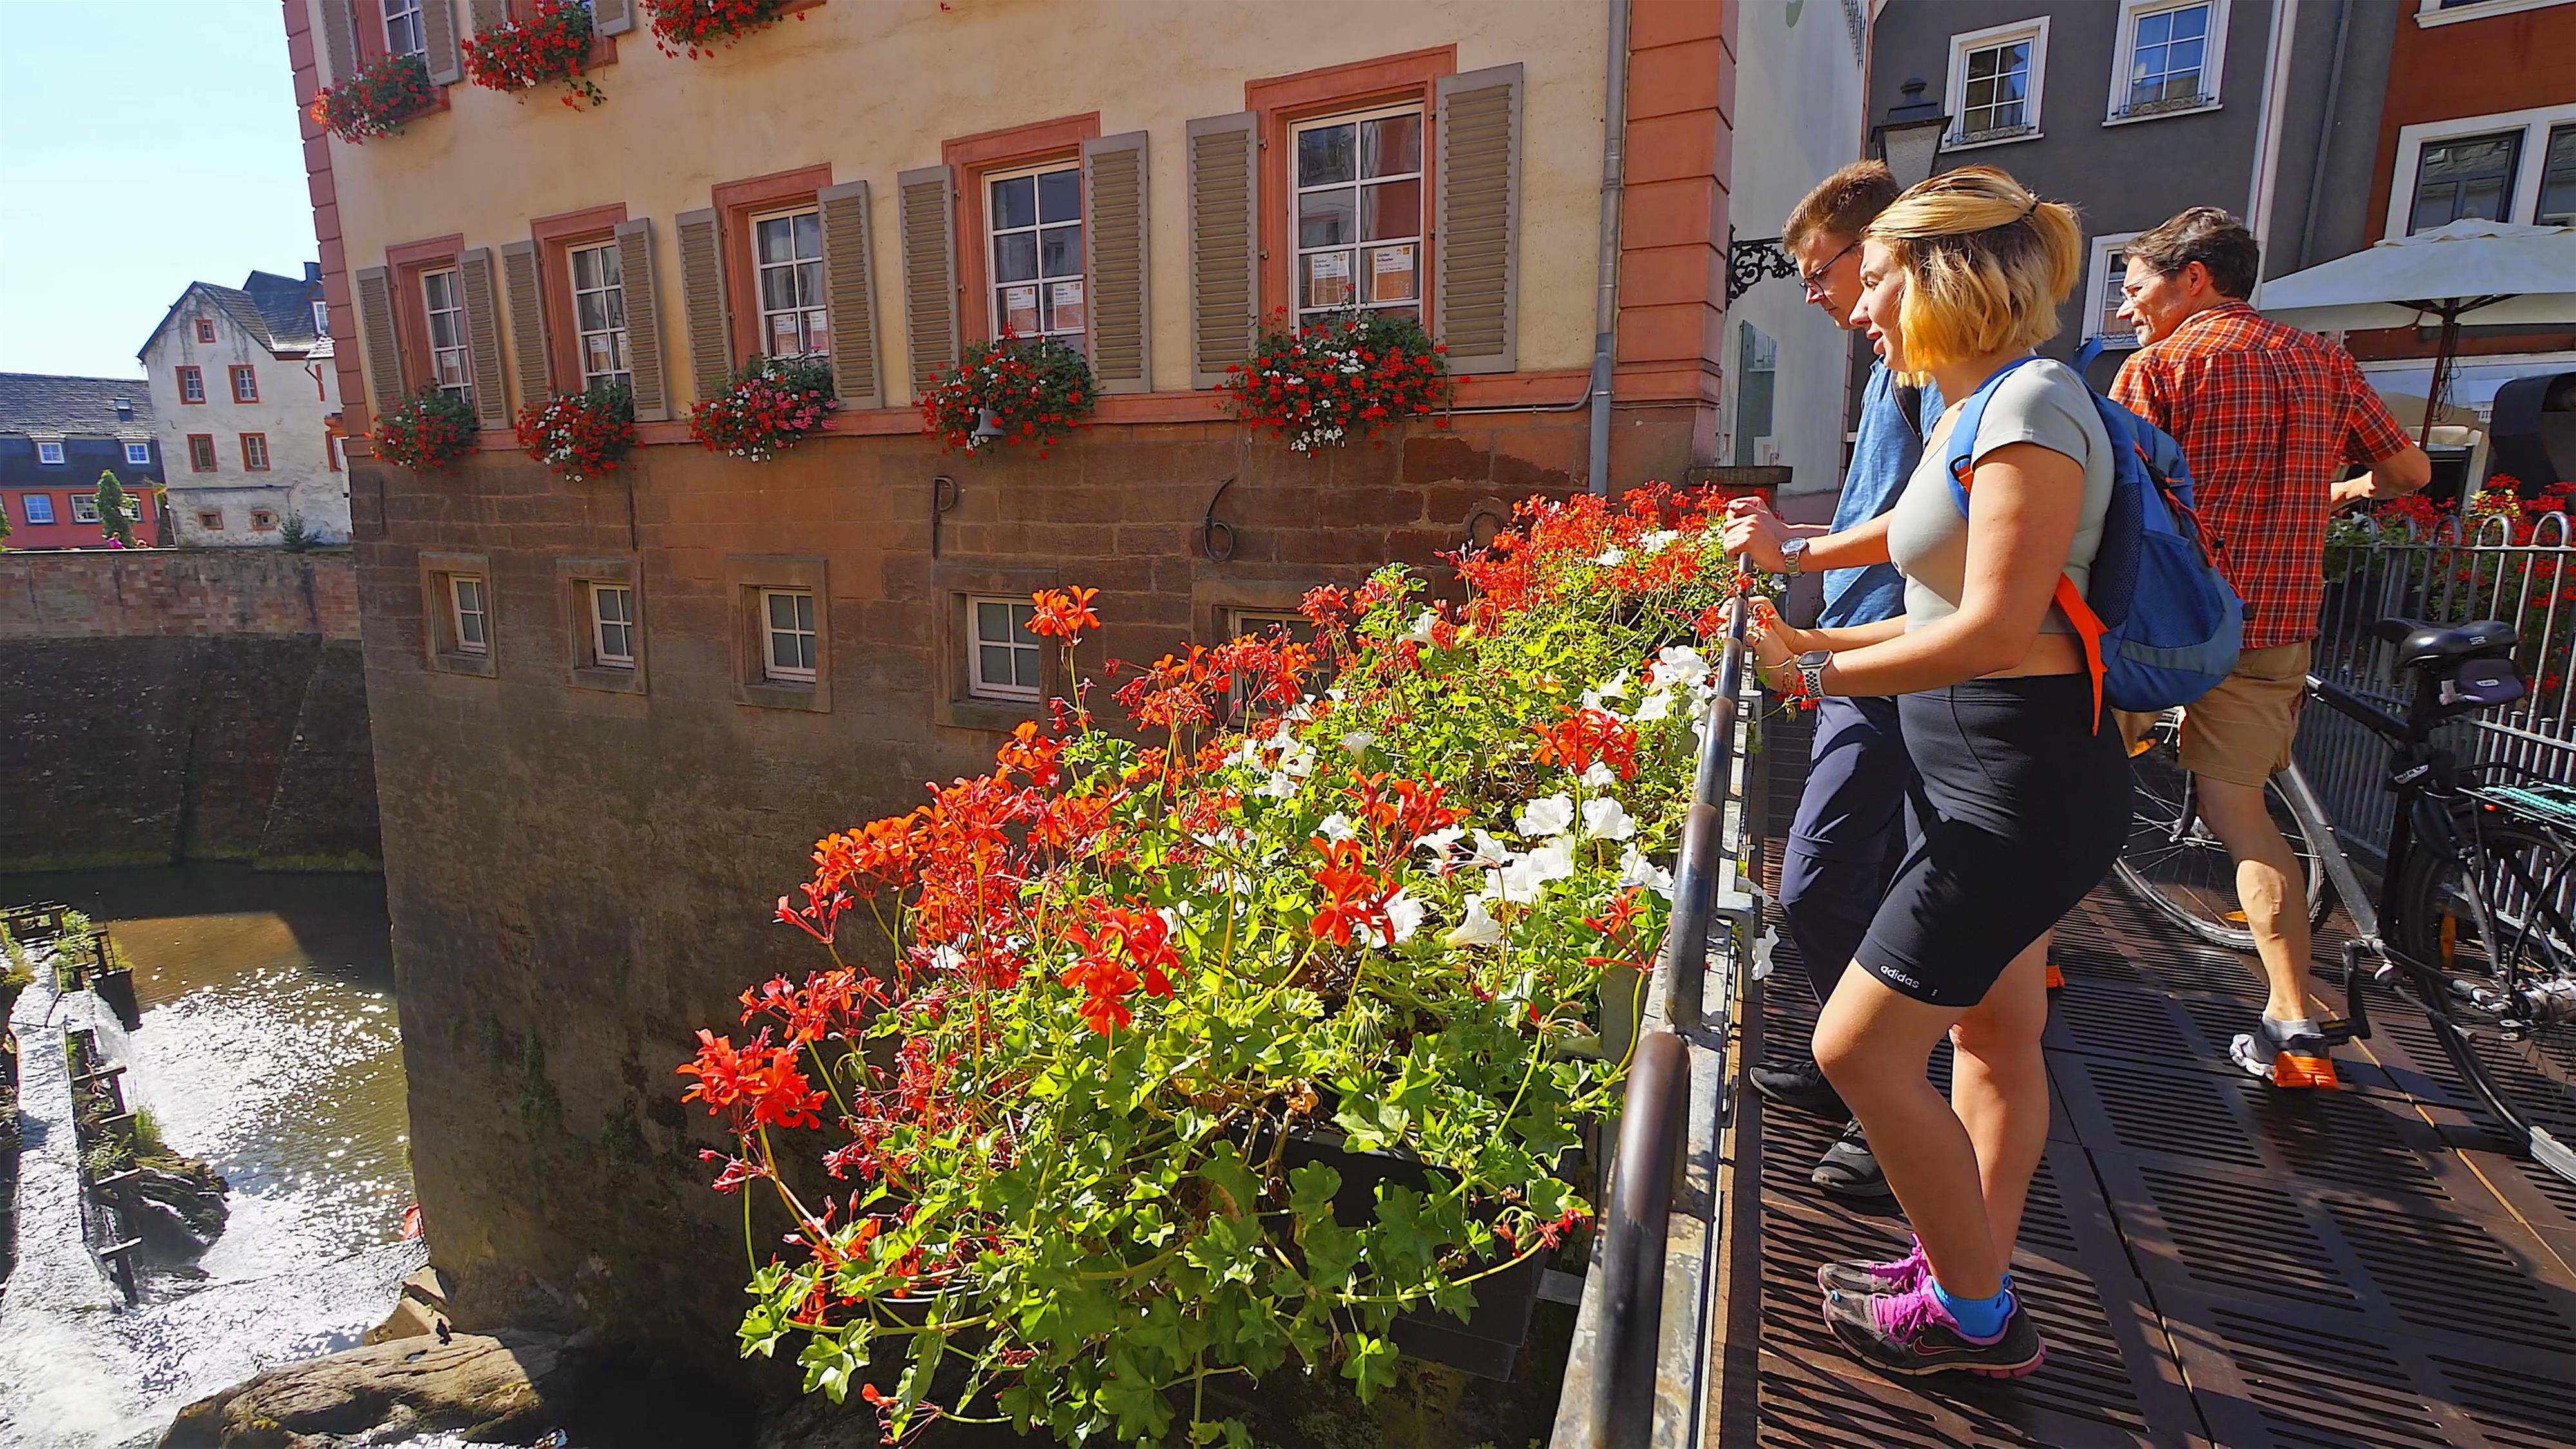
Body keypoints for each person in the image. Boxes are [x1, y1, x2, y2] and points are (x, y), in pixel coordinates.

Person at [1743, 165, 2125, 1377]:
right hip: (1977, 777)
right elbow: (1929, 607)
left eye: (1881, 280)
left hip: (2020, 791)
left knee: (1854, 1048)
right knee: (1993, 1043)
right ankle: (1965, 1265)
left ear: (1943, 278)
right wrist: (1813, 638)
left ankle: (1979, 1315)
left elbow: (1996, 632)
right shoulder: (1969, 410)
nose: (1860, 304)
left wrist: (1811, 680)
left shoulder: (2033, 408)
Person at [2108, 207, 2430, 1087]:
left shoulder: (2162, 367)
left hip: (2167, 624)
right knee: (2245, 816)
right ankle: (2294, 1024)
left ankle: (2034, 963)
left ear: (2193, 279)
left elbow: (2116, 506)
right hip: (2274, 622)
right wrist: (2328, 493)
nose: (2128, 310)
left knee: (2081, 775)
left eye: (2135, 289)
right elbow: (2410, 474)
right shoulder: (2326, 360)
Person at [1724, 160, 1942, 1203]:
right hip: (1867, 653)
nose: (1814, 294)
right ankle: (1841, 1059)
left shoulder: (1926, 366)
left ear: (1881, 253)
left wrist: (1795, 558)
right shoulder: (1901, 363)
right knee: (1854, 877)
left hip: (1893, 659)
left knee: (1817, 881)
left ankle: (1882, 1091)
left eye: (1822, 270)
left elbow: (1922, 529)